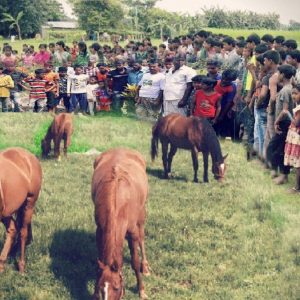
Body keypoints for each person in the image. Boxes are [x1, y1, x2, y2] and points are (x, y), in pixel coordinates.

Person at [267, 64, 296, 184]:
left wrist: (276, 121)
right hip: (286, 123)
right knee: (280, 148)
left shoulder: (285, 91)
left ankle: (280, 173)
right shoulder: (290, 88)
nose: (277, 75)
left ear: (283, 75)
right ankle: (278, 172)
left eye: (279, 73)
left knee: (273, 147)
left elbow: (284, 110)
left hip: (283, 123)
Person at [284, 88, 300, 193]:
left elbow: (297, 123)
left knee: (298, 164)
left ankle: (297, 187)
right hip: (295, 137)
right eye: (292, 93)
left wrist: (288, 114)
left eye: (296, 93)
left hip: (297, 138)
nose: (293, 95)